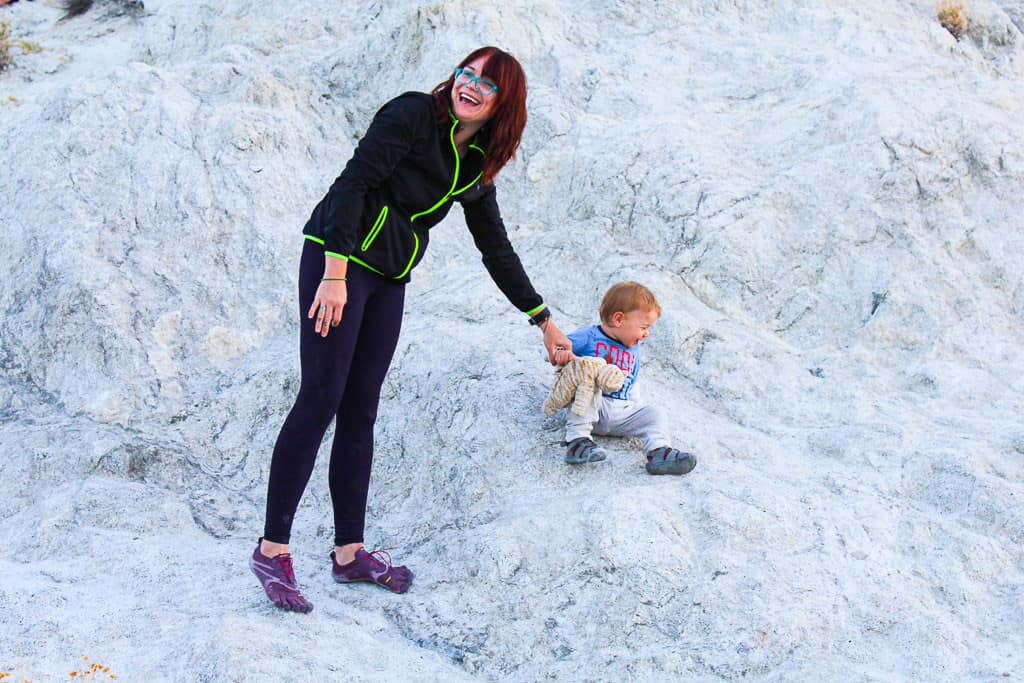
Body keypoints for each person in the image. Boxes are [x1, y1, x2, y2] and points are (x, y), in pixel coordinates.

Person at [250, 47, 573, 613]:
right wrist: (333, 271)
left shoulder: (474, 166)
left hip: (389, 277)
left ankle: (348, 552)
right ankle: (272, 549)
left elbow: (494, 247)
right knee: (320, 397)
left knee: (361, 409)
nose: (469, 86)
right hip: (337, 260)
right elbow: (353, 183)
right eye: (466, 74)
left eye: (486, 84)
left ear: (504, 105)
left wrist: (542, 319)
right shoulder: (411, 115)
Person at [552, 282, 698, 475]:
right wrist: (561, 353)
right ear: (619, 319)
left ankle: (659, 452)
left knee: (655, 413)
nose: (647, 334)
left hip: (621, 413)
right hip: (592, 406)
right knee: (588, 385)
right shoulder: (589, 335)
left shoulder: (634, 349)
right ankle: (578, 442)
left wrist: (636, 409)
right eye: (644, 327)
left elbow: (633, 383)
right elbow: (558, 345)